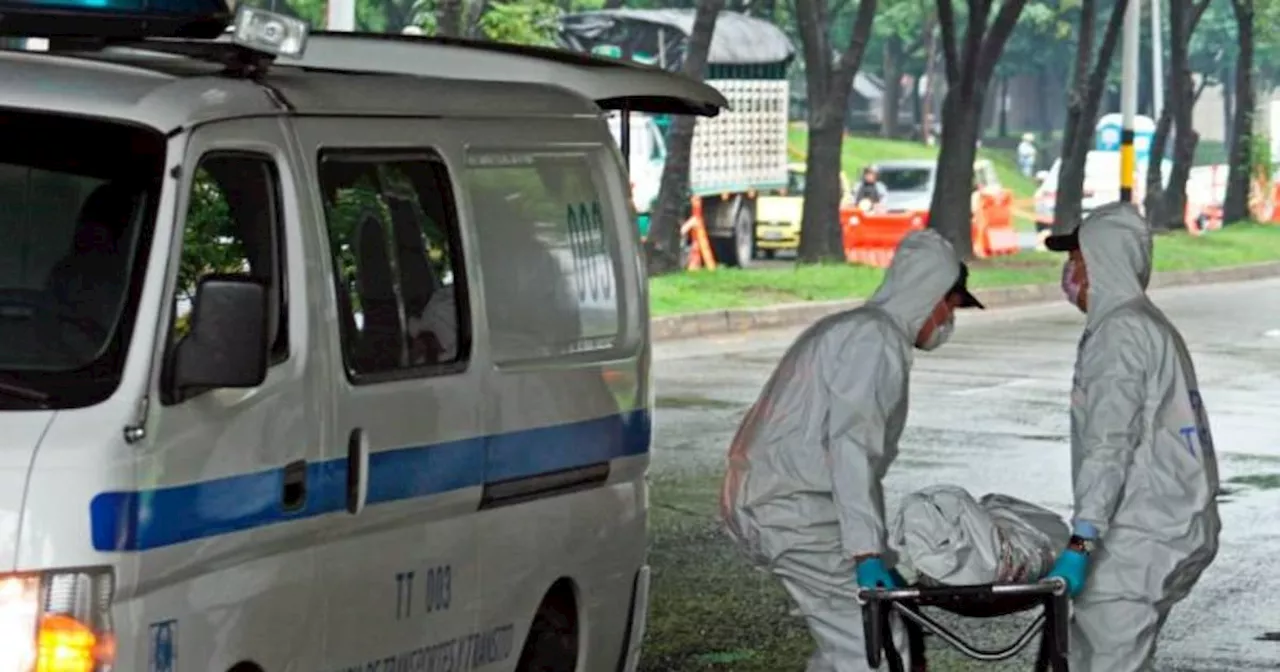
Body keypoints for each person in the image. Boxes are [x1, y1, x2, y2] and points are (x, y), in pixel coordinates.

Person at [720, 229, 985, 672]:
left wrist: (874, 547)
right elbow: (850, 449)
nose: (947, 323)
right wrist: (866, 554)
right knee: (875, 648)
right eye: (951, 308)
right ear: (933, 296)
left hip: (787, 504)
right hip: (793, 510)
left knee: (851, 641)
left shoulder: (863, 331)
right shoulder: (874, 341)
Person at [1042, 201, 1220, 671]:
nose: (1070, 271)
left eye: (1076, 258)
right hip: (1170, 524)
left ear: (1102, 260)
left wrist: (1081, 542)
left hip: (1144, 533)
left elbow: (1109, 446)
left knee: (1106, 660)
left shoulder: (1119, 333)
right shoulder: (1144, 323)